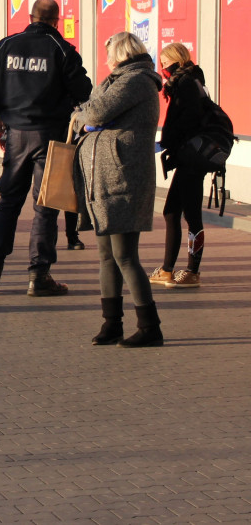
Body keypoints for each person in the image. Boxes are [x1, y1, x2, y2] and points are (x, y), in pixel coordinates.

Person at [0, 0, 92, 295]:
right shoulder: (62, 49)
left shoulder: (6, 46)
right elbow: (84, 93)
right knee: (45, 205)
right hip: (50, 136)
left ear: (31, 17)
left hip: (15, 134)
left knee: (8, 203)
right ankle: (38, 276)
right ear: (57, 19)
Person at [75, 32, 163, 347]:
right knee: (106, 256)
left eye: (109, 52)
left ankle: (150, 327)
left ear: (121, 53)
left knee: (125, 255)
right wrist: (84, 119)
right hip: (104, 179)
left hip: (125, 179)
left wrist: (86, 120)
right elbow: (84, 109)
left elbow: (94, 111)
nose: (106, 59)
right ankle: (111, 324)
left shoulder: (137, 81)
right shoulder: (115, 80)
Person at [148, 42, 209, 289]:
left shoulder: (185, 84)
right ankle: (168, 269)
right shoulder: (193, 81)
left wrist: (169, 142)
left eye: (164, 64)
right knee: (174, 211)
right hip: (191, 156)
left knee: (187, 214)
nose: (163, 69)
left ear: (173, 61)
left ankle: (190, 271)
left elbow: (186, 121)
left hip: (190, 158)